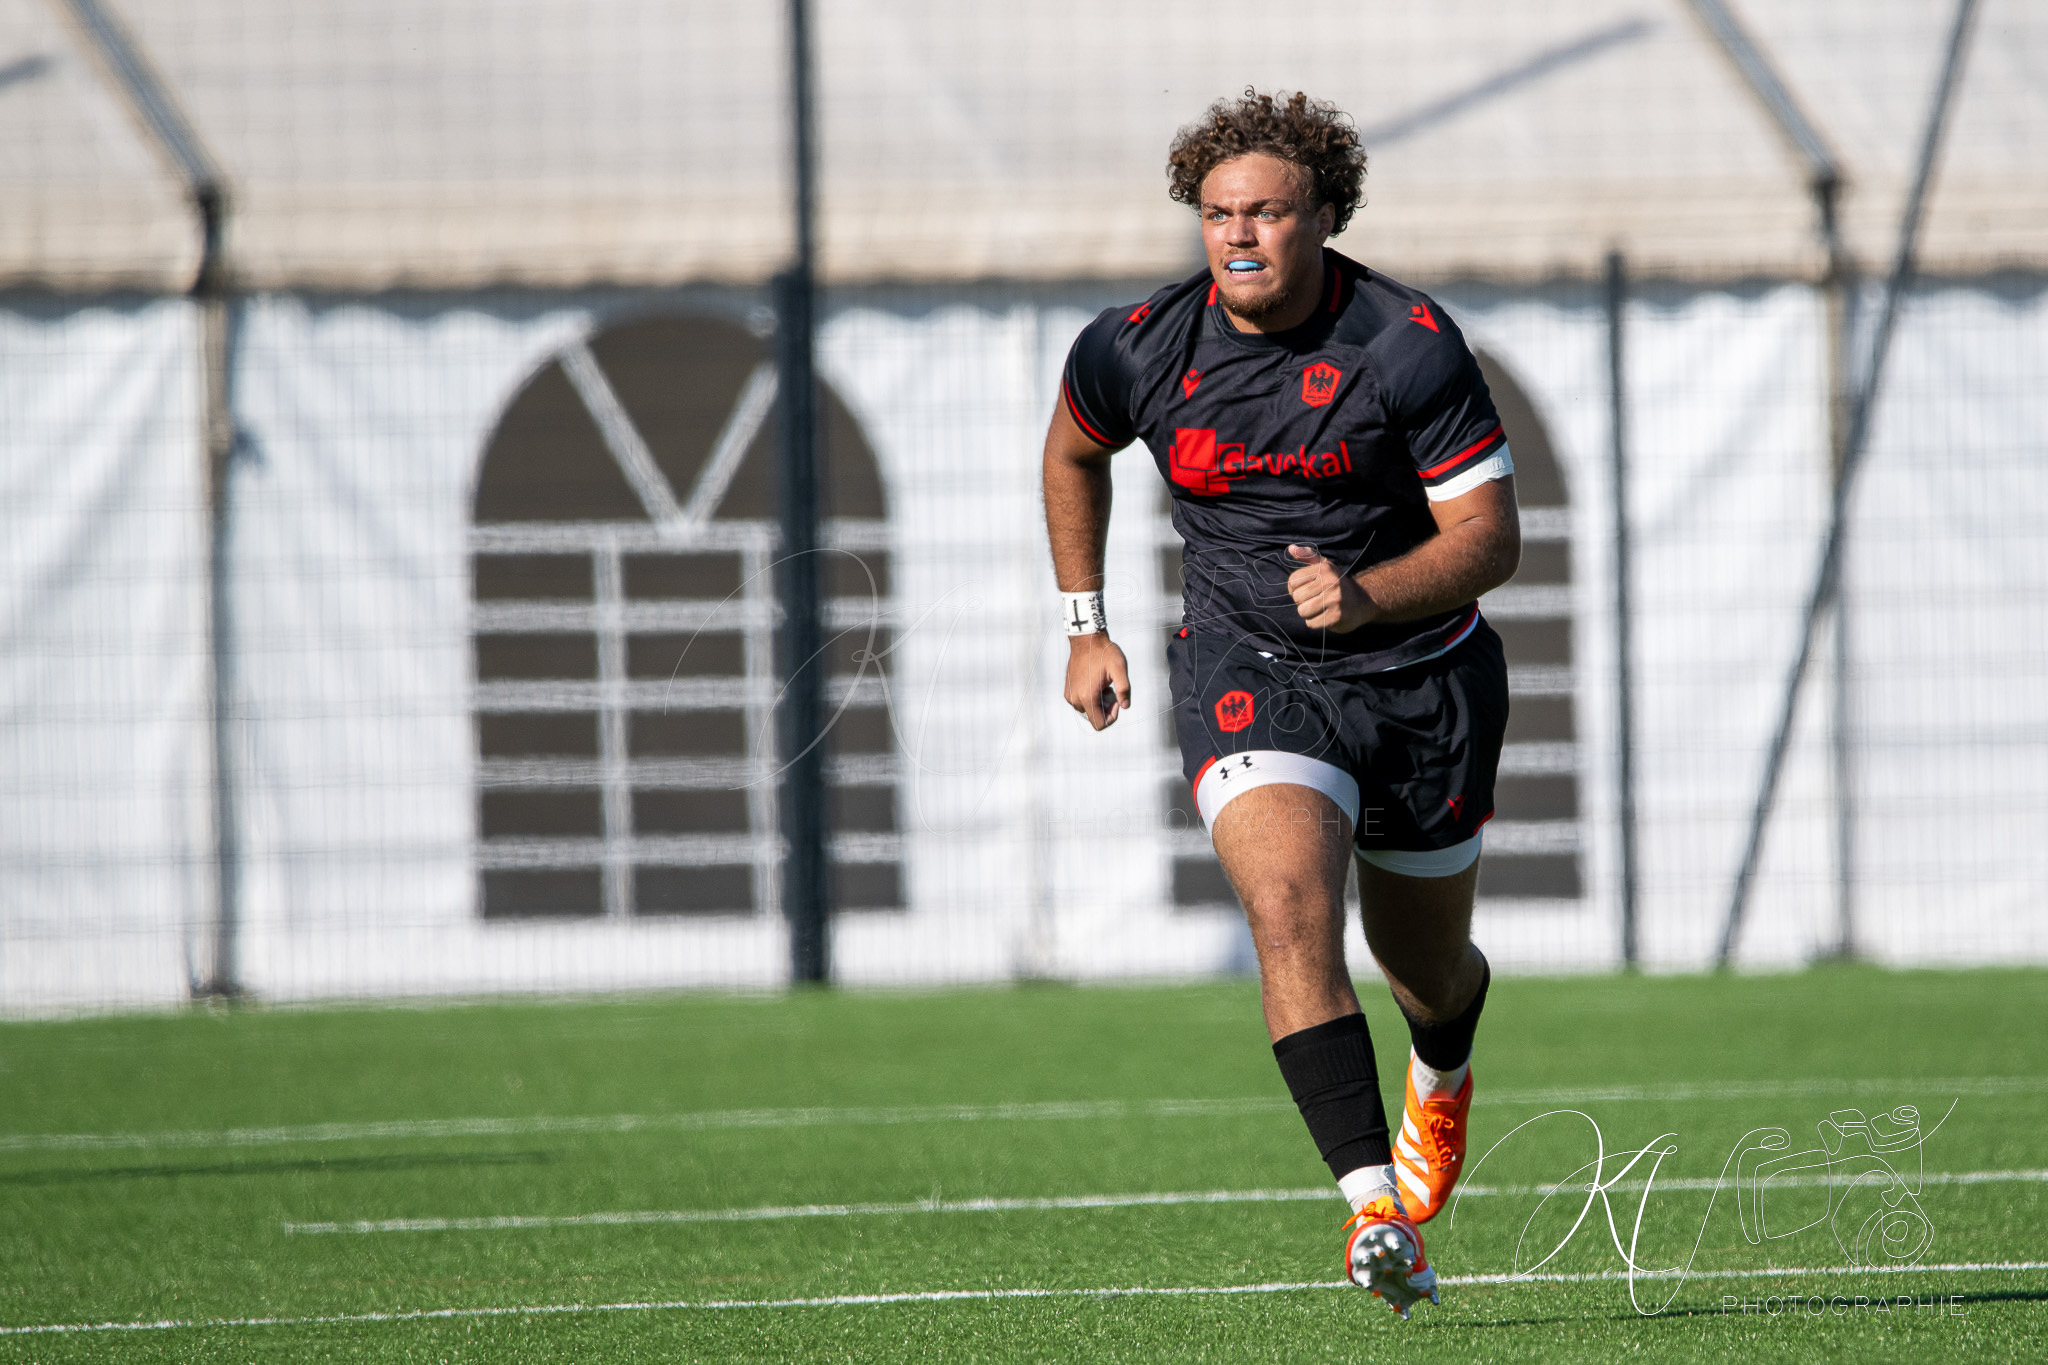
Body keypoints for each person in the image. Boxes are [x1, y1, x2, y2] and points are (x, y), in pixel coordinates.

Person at [1040, 89, 1519, 1317]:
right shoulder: (1138, 345)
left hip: (1420, 684)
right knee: (1288, 911)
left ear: (1323, 217)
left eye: (1265, 211)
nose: (1237, 234)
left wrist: (1366, 597)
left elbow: (1489, 538)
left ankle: (1444, 1059)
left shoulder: (1406, 343)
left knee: (1420, 967)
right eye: (1215, 213)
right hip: (1248, 674)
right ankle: (1373, 1210)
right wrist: (1084, 626)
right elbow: (1072, 450)